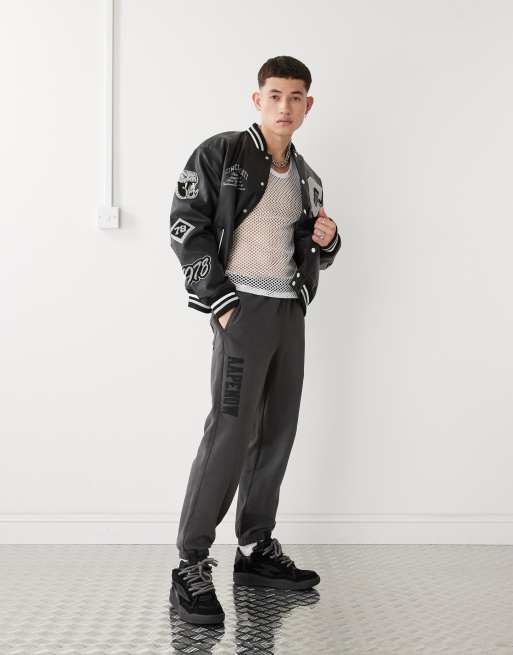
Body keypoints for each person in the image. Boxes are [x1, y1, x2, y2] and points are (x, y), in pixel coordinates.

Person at [168, 55, 341, 625]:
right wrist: (219, 303)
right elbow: (186, 224)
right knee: (230, 433)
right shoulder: (221, 153)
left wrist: (327, 240)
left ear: (308, 105)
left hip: (289, 310)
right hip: (239, 308)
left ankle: (255, 549)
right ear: (257, 99)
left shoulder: (309, 177)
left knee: (277, 433)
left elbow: (311, 251)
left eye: (295, 97)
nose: (284, 106)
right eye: (275, 95)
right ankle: (191, 563)